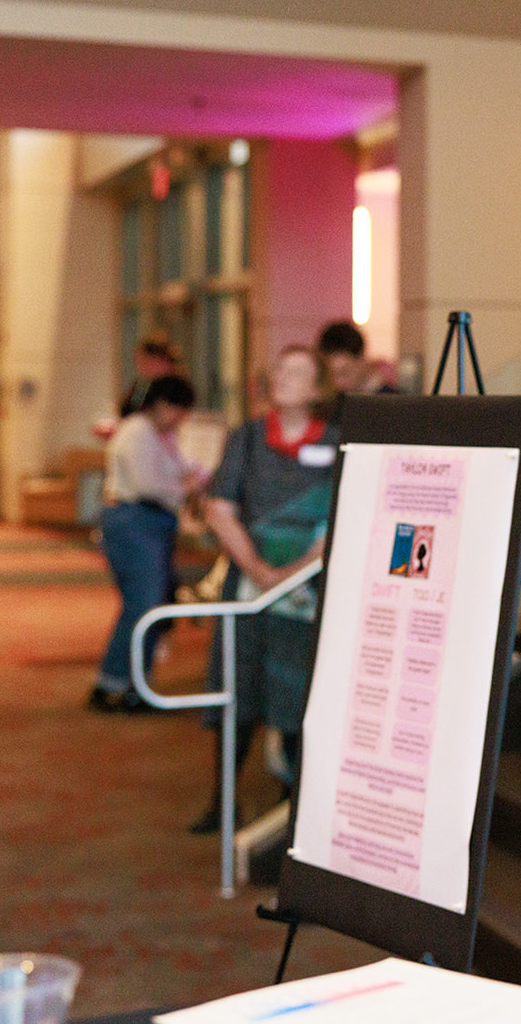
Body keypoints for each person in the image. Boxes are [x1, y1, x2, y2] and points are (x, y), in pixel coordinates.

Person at [190, 346, 338, 833]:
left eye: (298, 371)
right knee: (238, 688)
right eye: (279, 367)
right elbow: (220, 508)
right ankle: (222, 800)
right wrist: (257, 568)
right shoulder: (247, 439)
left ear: (317, 388)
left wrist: (294, 570)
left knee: (299, 690)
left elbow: (338, 518)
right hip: (248, 588)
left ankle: (293, 803)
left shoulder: (336, 444)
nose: (284, 378)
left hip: (308, 594)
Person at [90, 374, 201, 713]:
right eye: (180, 411)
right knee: (144, 606)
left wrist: (195, 478)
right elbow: (147, 484)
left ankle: (125, 683)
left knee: (145, 605)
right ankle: (120, 684)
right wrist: (186, 488)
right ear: (165, 405)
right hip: (135, 521)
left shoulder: (158, 434)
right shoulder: (138, 431)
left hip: (148, 522)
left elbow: (181, 469)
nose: (181, 419)